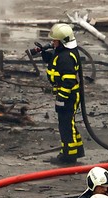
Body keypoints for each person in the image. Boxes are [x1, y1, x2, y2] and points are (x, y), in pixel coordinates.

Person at [41, 23, 84, 164]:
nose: (52, 43)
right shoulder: (64, 53)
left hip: (68, 95)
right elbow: (55, 62)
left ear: (62, 42)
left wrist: (61, 98)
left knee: (65, 124)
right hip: (69, 94)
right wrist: (44, 54)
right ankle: (76, 149)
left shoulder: (65, 57)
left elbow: (68, 81)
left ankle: (69, 156)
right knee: (69, 123)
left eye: (55, 41)